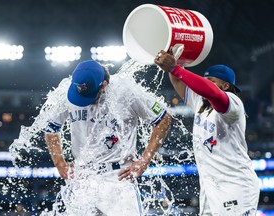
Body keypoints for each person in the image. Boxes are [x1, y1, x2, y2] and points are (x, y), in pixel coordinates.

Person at [44, 60, 171, 215]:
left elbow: (163, 118)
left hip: (117, 178)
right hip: (83, 178)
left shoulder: (127, 91)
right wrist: (60, 163)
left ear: (104, 85)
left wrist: (144, 160)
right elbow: (51, 127)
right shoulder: (68, 91)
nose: (84, 101)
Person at [154, 50, 260, 216]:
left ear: (226, 86)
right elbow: (176, 80)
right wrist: (174, 59)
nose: (206, 84)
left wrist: (176, 68)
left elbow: (212, 92)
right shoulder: (200, 104)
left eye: (211, 81)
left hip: (235, 186)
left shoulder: (233, 104)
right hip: (210, 189)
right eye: (205, 80)